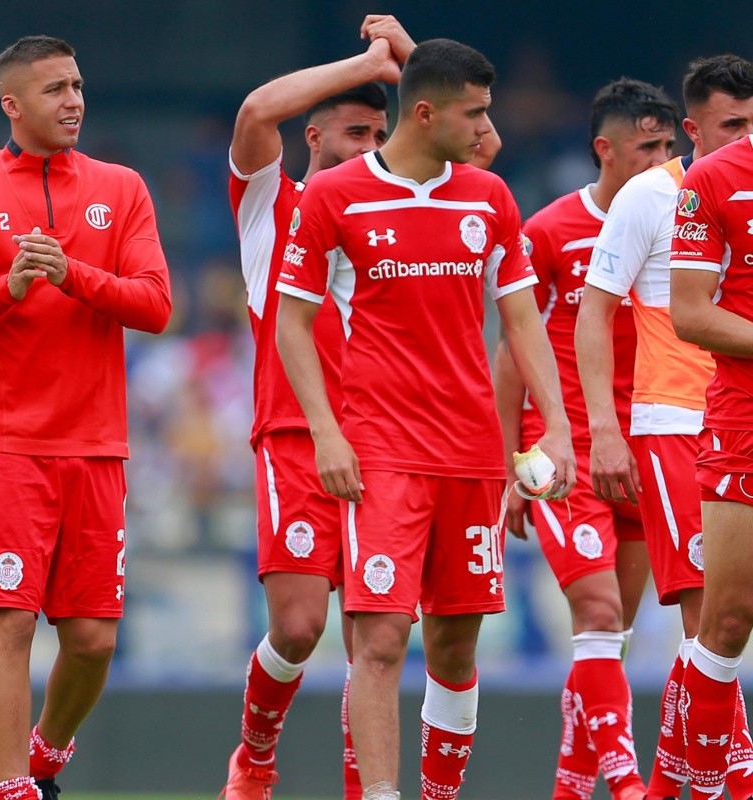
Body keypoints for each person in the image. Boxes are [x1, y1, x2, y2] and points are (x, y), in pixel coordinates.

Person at [276, 38, 576, 800]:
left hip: (472, 450)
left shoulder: (489, 197)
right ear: (426, 112)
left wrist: (559, 426)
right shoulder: (336, 196)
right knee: (380, 639)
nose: (485, 127)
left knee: (453, 644)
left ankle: (440, 794)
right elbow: (292, 323)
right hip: (379, 447)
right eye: (474, 112)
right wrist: (327, 432)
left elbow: (523, 322)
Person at [0, 35, 171, 800]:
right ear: (12, 105)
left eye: (77, 85)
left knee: (91, 640)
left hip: (97, 445)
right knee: (10, 623)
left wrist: (72, 274)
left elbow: (156, 305)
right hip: (4, 444)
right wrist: (3, 292)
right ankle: (13, 789)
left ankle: (47, 752)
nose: (74, 100)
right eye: (54, 89)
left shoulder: (123, 186)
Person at [222, 15, 415, 800]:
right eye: (353, 134)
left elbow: (477, 144)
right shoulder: (275, 200)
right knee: (298, 626)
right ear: (313, 137)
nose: (368, 149)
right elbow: (253, 113)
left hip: (385, 441)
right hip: (297, 436)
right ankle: (256, 754)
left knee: (375, 639)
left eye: (379, 135)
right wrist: (370, 62)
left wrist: (416, 60)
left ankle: (360, 786)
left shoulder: (397, 207)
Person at [494, 77, 679, 800]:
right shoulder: (547, 232)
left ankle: (570, 789)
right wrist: (511, 463)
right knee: (598, 613)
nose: (664, 162)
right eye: (648, 148)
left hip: (642, 448)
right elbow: (513, 352)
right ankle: (630, 785)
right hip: (558, 449)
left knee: (609, 636)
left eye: (671, 146)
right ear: (605, 150)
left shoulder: (677, 224)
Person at [574, 54, 753, 800]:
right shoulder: (654, 195)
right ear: (695, 127)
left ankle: (664, 782)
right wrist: (603, 431)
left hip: (710, 419)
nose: (744, 135)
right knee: (707, 618)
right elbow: (596, 314)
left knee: (709, 625)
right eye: (732, 123)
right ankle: (718, 784)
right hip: (679, 422)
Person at [669, 80, 753, 800]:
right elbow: (690, 314)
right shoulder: (716, 177)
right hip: (744, 420)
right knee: (726, 620)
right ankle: (700, 788)